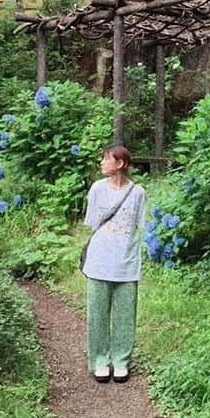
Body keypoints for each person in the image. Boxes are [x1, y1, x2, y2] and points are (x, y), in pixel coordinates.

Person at [82, 146, 147, 383]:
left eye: (106, 158)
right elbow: (91, 223)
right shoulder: (97, 189)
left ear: (120, 163)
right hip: (99, 260)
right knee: (97, 313)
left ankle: (121, 361)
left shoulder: (138, 192)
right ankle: (100, 360)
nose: (102, 162)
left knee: (125, 314)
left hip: (127, 261)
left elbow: (141, 226)